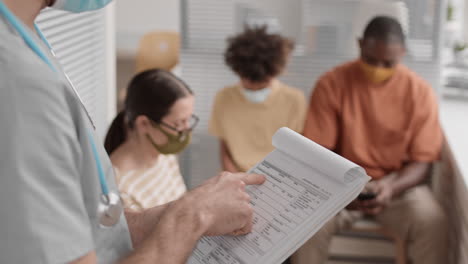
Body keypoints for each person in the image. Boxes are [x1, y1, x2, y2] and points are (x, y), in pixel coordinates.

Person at [0, 0, 265, 263]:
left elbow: (97, 232)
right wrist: (194, 216)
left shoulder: (28, 39)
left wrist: (189, 208)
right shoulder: (19, 80)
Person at [292, 16, 448, 264]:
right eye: (371, 60)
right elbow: (319, 153)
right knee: (305, 223)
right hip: (340, 182)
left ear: (403, 53)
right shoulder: (331, 84)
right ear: (360, 44)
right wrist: (346, 189)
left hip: (397, 185)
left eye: (388, 63)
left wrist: (391, 188)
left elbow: (422, 163)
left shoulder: (420, 93)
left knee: (432, 221)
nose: (378, 68)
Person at [210, 26, 306, 172]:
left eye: (262, 83)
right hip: (236, 179)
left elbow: (297, 153)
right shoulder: (224, 97)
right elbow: (225, 148)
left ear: (274, 72)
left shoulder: (294, 100)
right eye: (249, 82)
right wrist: (236, 181)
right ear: (238, 71)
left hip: (280, 178)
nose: (254, 88)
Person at [105, 69, 195, 210]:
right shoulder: (119, 187)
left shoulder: (164, 153)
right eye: (178, 123)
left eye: (188, 119)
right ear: (144, 124)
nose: (186, 129)